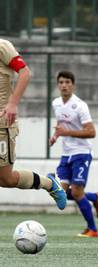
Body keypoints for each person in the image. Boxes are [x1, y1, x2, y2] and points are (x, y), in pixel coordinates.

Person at [0, 39, 66, 210]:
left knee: (6, 179)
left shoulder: (2, 46)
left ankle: (49, 184)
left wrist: (13, 104)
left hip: (2, 124)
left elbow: (25, 72)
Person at [49, 71, 98, 238]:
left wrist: (66, 132)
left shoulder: (80, 106)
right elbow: (61, 123)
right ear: (58, 85)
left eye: (67, 82)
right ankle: (95, 197)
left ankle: (93, 230)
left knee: (77, 192)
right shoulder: (56, 103)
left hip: (81, 153)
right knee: (62, 193)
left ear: (73, 85)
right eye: (61, 82)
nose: (64, 85)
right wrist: (55, 136)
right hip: (66, 155)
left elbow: (91, 132)